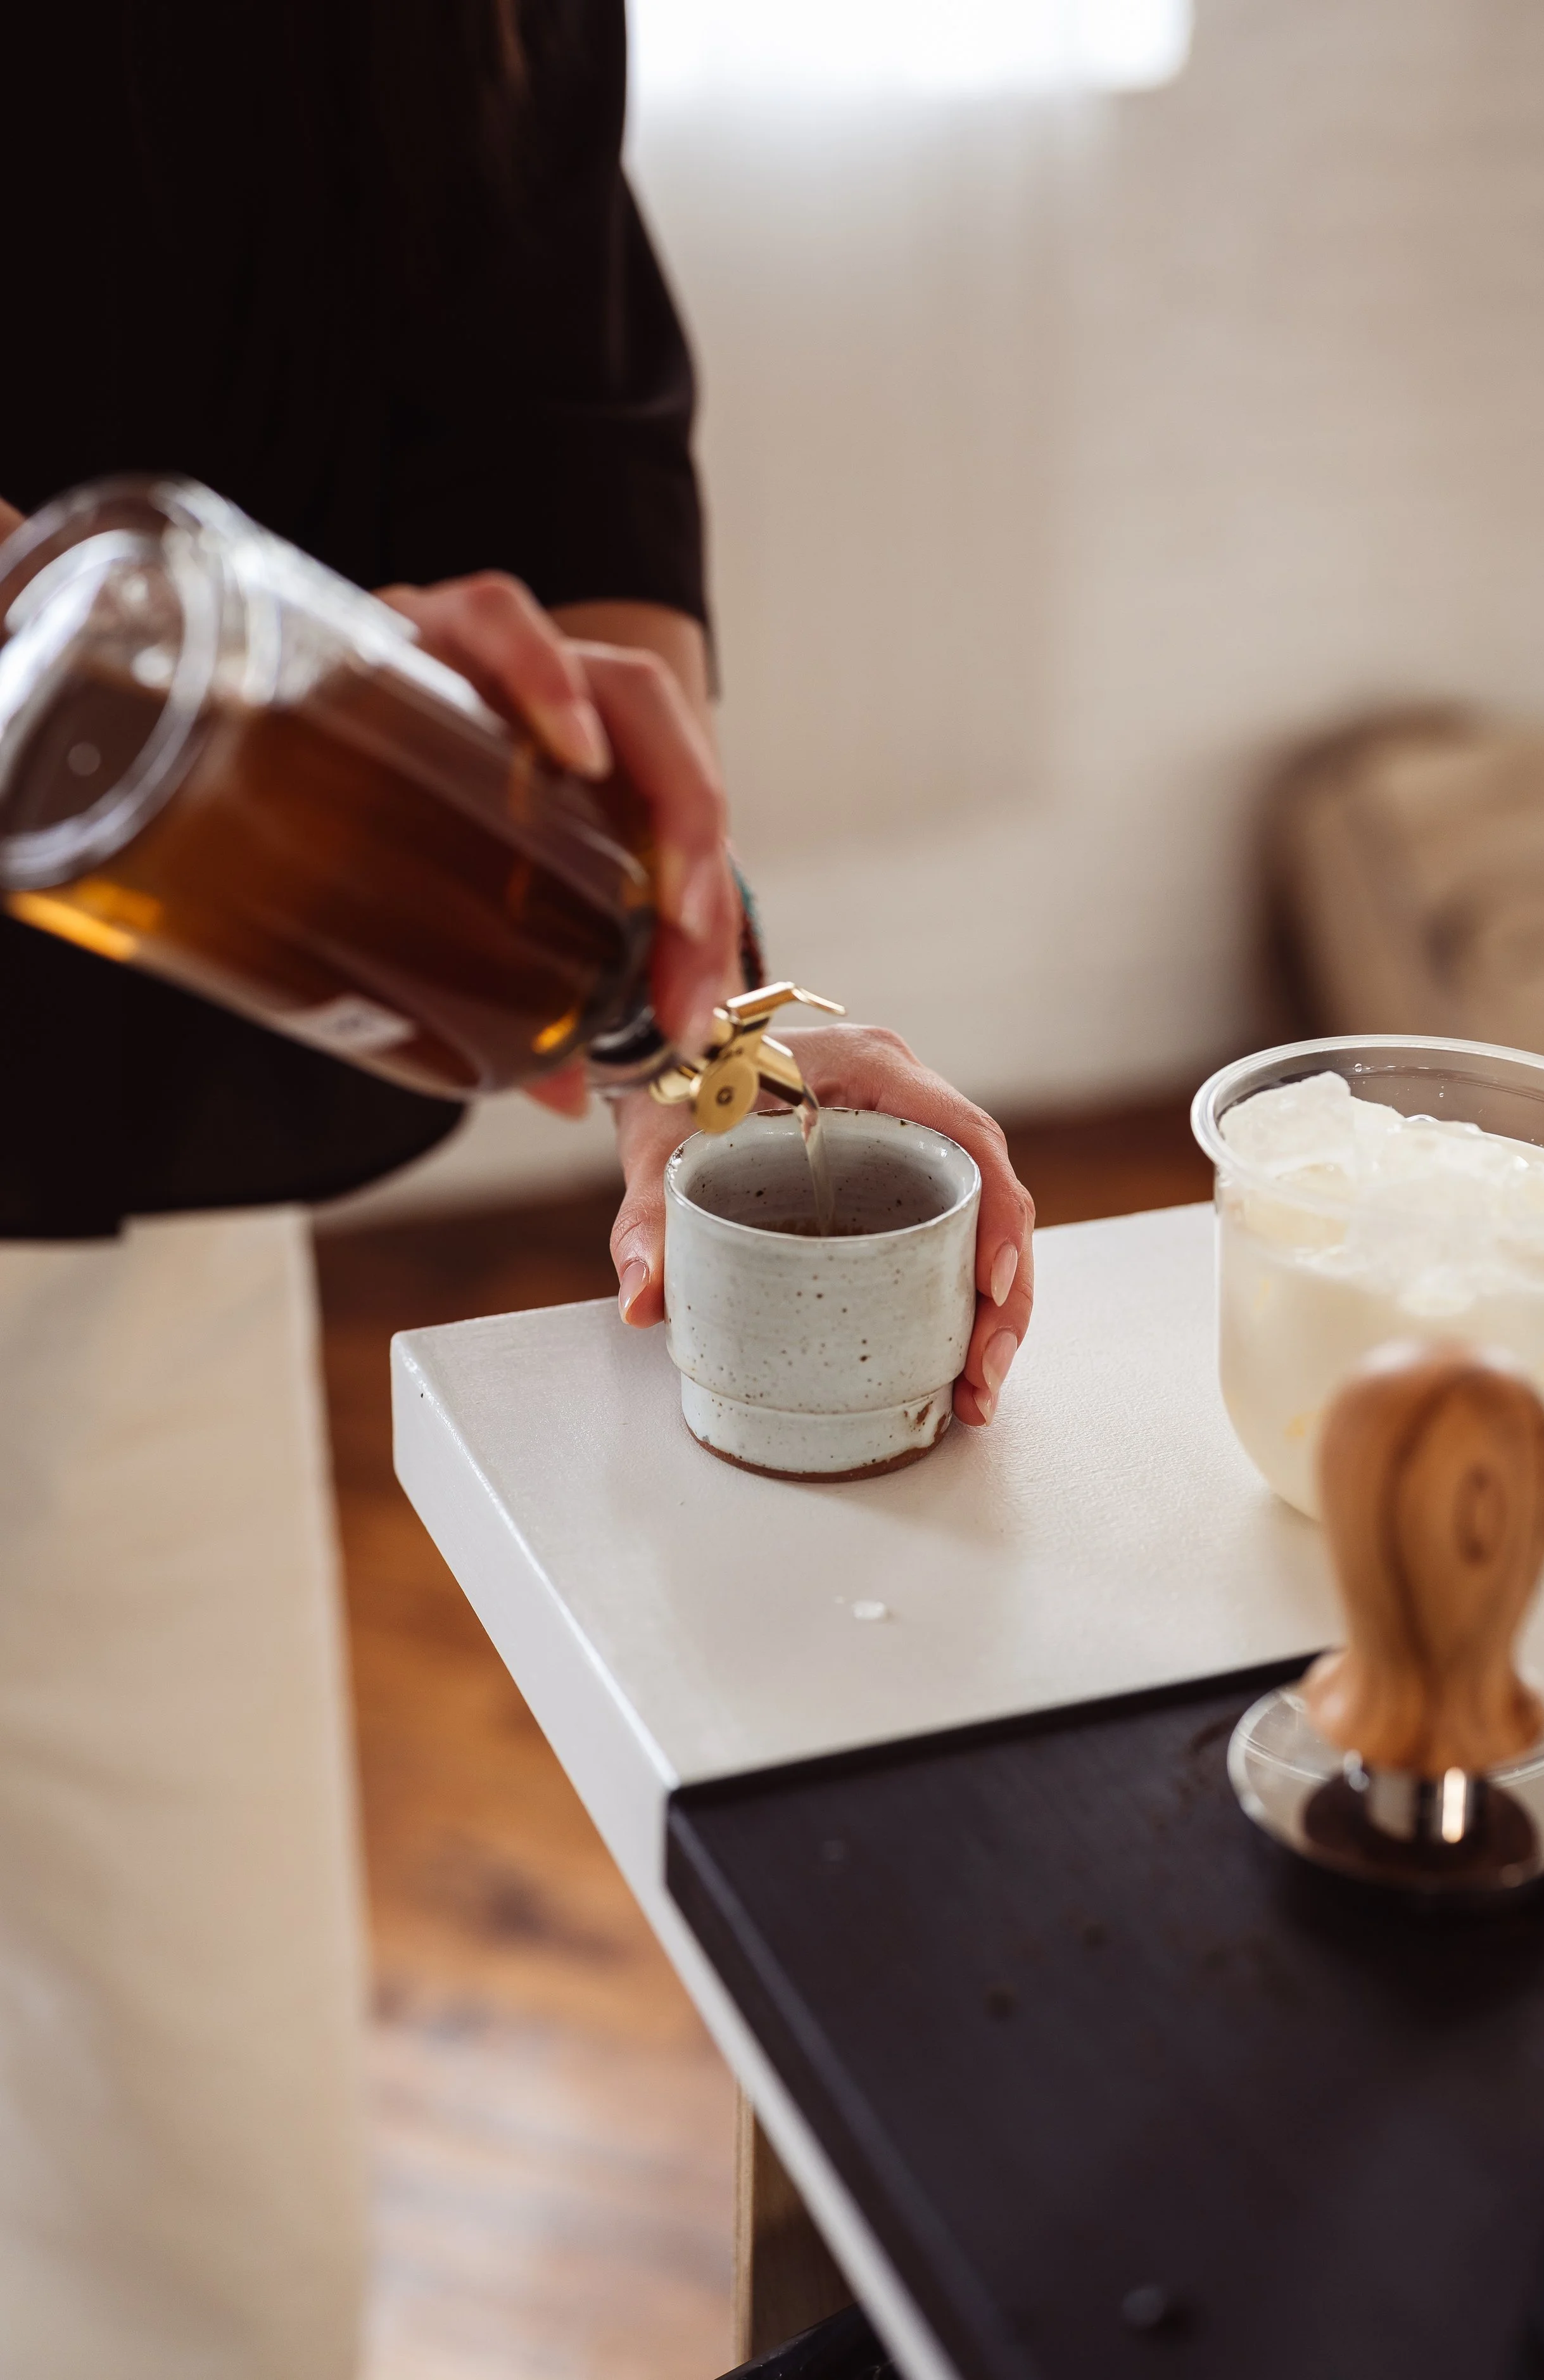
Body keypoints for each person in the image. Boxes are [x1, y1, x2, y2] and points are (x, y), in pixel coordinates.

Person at [0, 3, 1034, 2372]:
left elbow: (552, 427)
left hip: (100, 1197)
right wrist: (172, 674)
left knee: (207, 2251)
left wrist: (701, 1027)